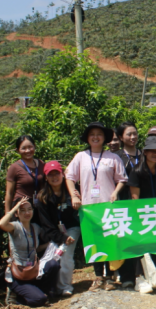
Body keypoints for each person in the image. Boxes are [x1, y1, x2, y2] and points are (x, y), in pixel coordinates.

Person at [65, 122, 127, 291]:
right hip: (89, 208)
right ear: (87, 138)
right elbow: (69, 176)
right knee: (93, 242)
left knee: (109, 240)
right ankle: (98, 276)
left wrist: (116, 192)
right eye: (92, 134)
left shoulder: (112, 157)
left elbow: (122, 179)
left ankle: (110, 277)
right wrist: (73, 195)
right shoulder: (80, 157)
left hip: (108, 206)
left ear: (104, 138)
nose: (95, 137)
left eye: (99, 134)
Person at [0, 198, 61, 307]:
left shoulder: (35, 228)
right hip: (18, 275)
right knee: (39, 299)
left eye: (29, 209)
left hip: (32, 271)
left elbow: (36, 249)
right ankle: (17, 296)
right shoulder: (14, 227)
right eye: (22, 210)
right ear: (17, 213)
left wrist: (52, 245)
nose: (27, 213)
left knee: (53, 264)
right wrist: (16, 206)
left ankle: (43, 293)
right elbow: (1, 224)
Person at [127, 136, 156, 289]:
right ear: (145, 152)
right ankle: (140, 278)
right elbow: (134, 198)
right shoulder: (136, 170)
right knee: (142, 245)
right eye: (152, 151)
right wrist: (139, 216)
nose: (155, 154)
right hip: (143, 214)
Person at [35, 161, 79, 297]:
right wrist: (62, 238)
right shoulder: (42, 198)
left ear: (62, 174)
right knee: (53, 255)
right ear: (46, 178)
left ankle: (65, 286)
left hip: (72, 228)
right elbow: (47, 225)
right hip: (54, 232)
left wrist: (78, 199)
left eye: (57, 174)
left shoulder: (72, 191)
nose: (54, 177)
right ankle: (50, 286)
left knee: (66, 253)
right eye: (51, 175)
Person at [5, 136, 46, 213]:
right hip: (22, 207)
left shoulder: (41, 164)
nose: (27, 151)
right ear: (18, 150)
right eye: (23, 148)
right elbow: (9, 193)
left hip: (39, 207)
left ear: (34, 146)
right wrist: (8, 214)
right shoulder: (14, 167)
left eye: (30, 147)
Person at [115, 122, 141, 201]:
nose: (133, 137)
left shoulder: (144, 155)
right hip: (123, 199)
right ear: (121, 137)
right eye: (129, 134)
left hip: (143, 199)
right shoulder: (116, 157)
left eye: (135, 134)